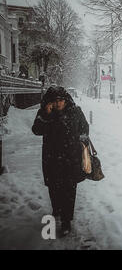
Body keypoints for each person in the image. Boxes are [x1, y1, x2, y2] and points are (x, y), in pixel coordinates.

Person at [32, 86, 89, 236]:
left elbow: (84, 128)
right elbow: (36, 130)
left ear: (66, 99)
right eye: (54, 101)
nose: (58, 103)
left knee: (69, 189)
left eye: (61, 100)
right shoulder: (45, 113)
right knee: (54, 187)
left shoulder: (75, 111)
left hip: (71, 159)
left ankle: (66, 221)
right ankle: (56, 207)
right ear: (48, 102)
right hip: (51, 159)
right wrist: (46, 114)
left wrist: (83, 141)